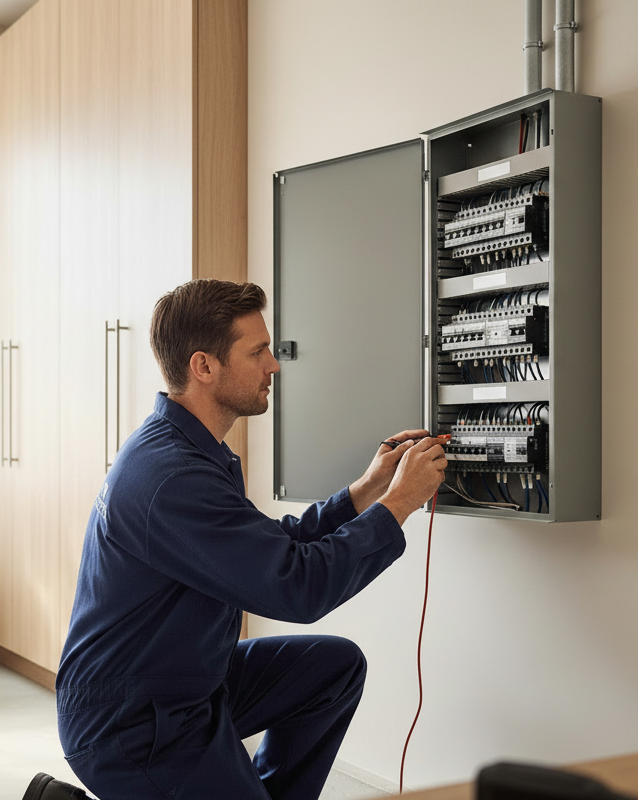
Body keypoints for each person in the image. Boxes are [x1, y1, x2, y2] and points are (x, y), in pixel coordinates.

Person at [28, 279, 446, 800]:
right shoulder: (172, 476)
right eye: (258, 351)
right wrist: (400, 502)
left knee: (332, 669)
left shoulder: (190, 449)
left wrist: (365, 493)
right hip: (131, 722)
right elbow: (296, 588)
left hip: (186, 682)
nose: (274, 365)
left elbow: (266, 550)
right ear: (204, 366)